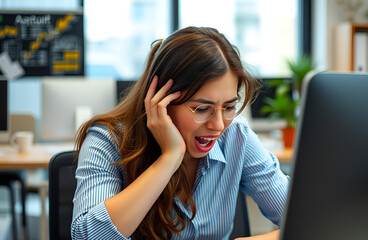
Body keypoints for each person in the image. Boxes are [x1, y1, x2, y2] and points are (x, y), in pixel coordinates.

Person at [71, 26, 290, 240]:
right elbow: (89, 235)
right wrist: (170, 158)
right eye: (202, 109)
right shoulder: (107, 140)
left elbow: (308, 219)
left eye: (229, 107)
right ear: (161, 101)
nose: (218, 125)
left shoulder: (237, 135)